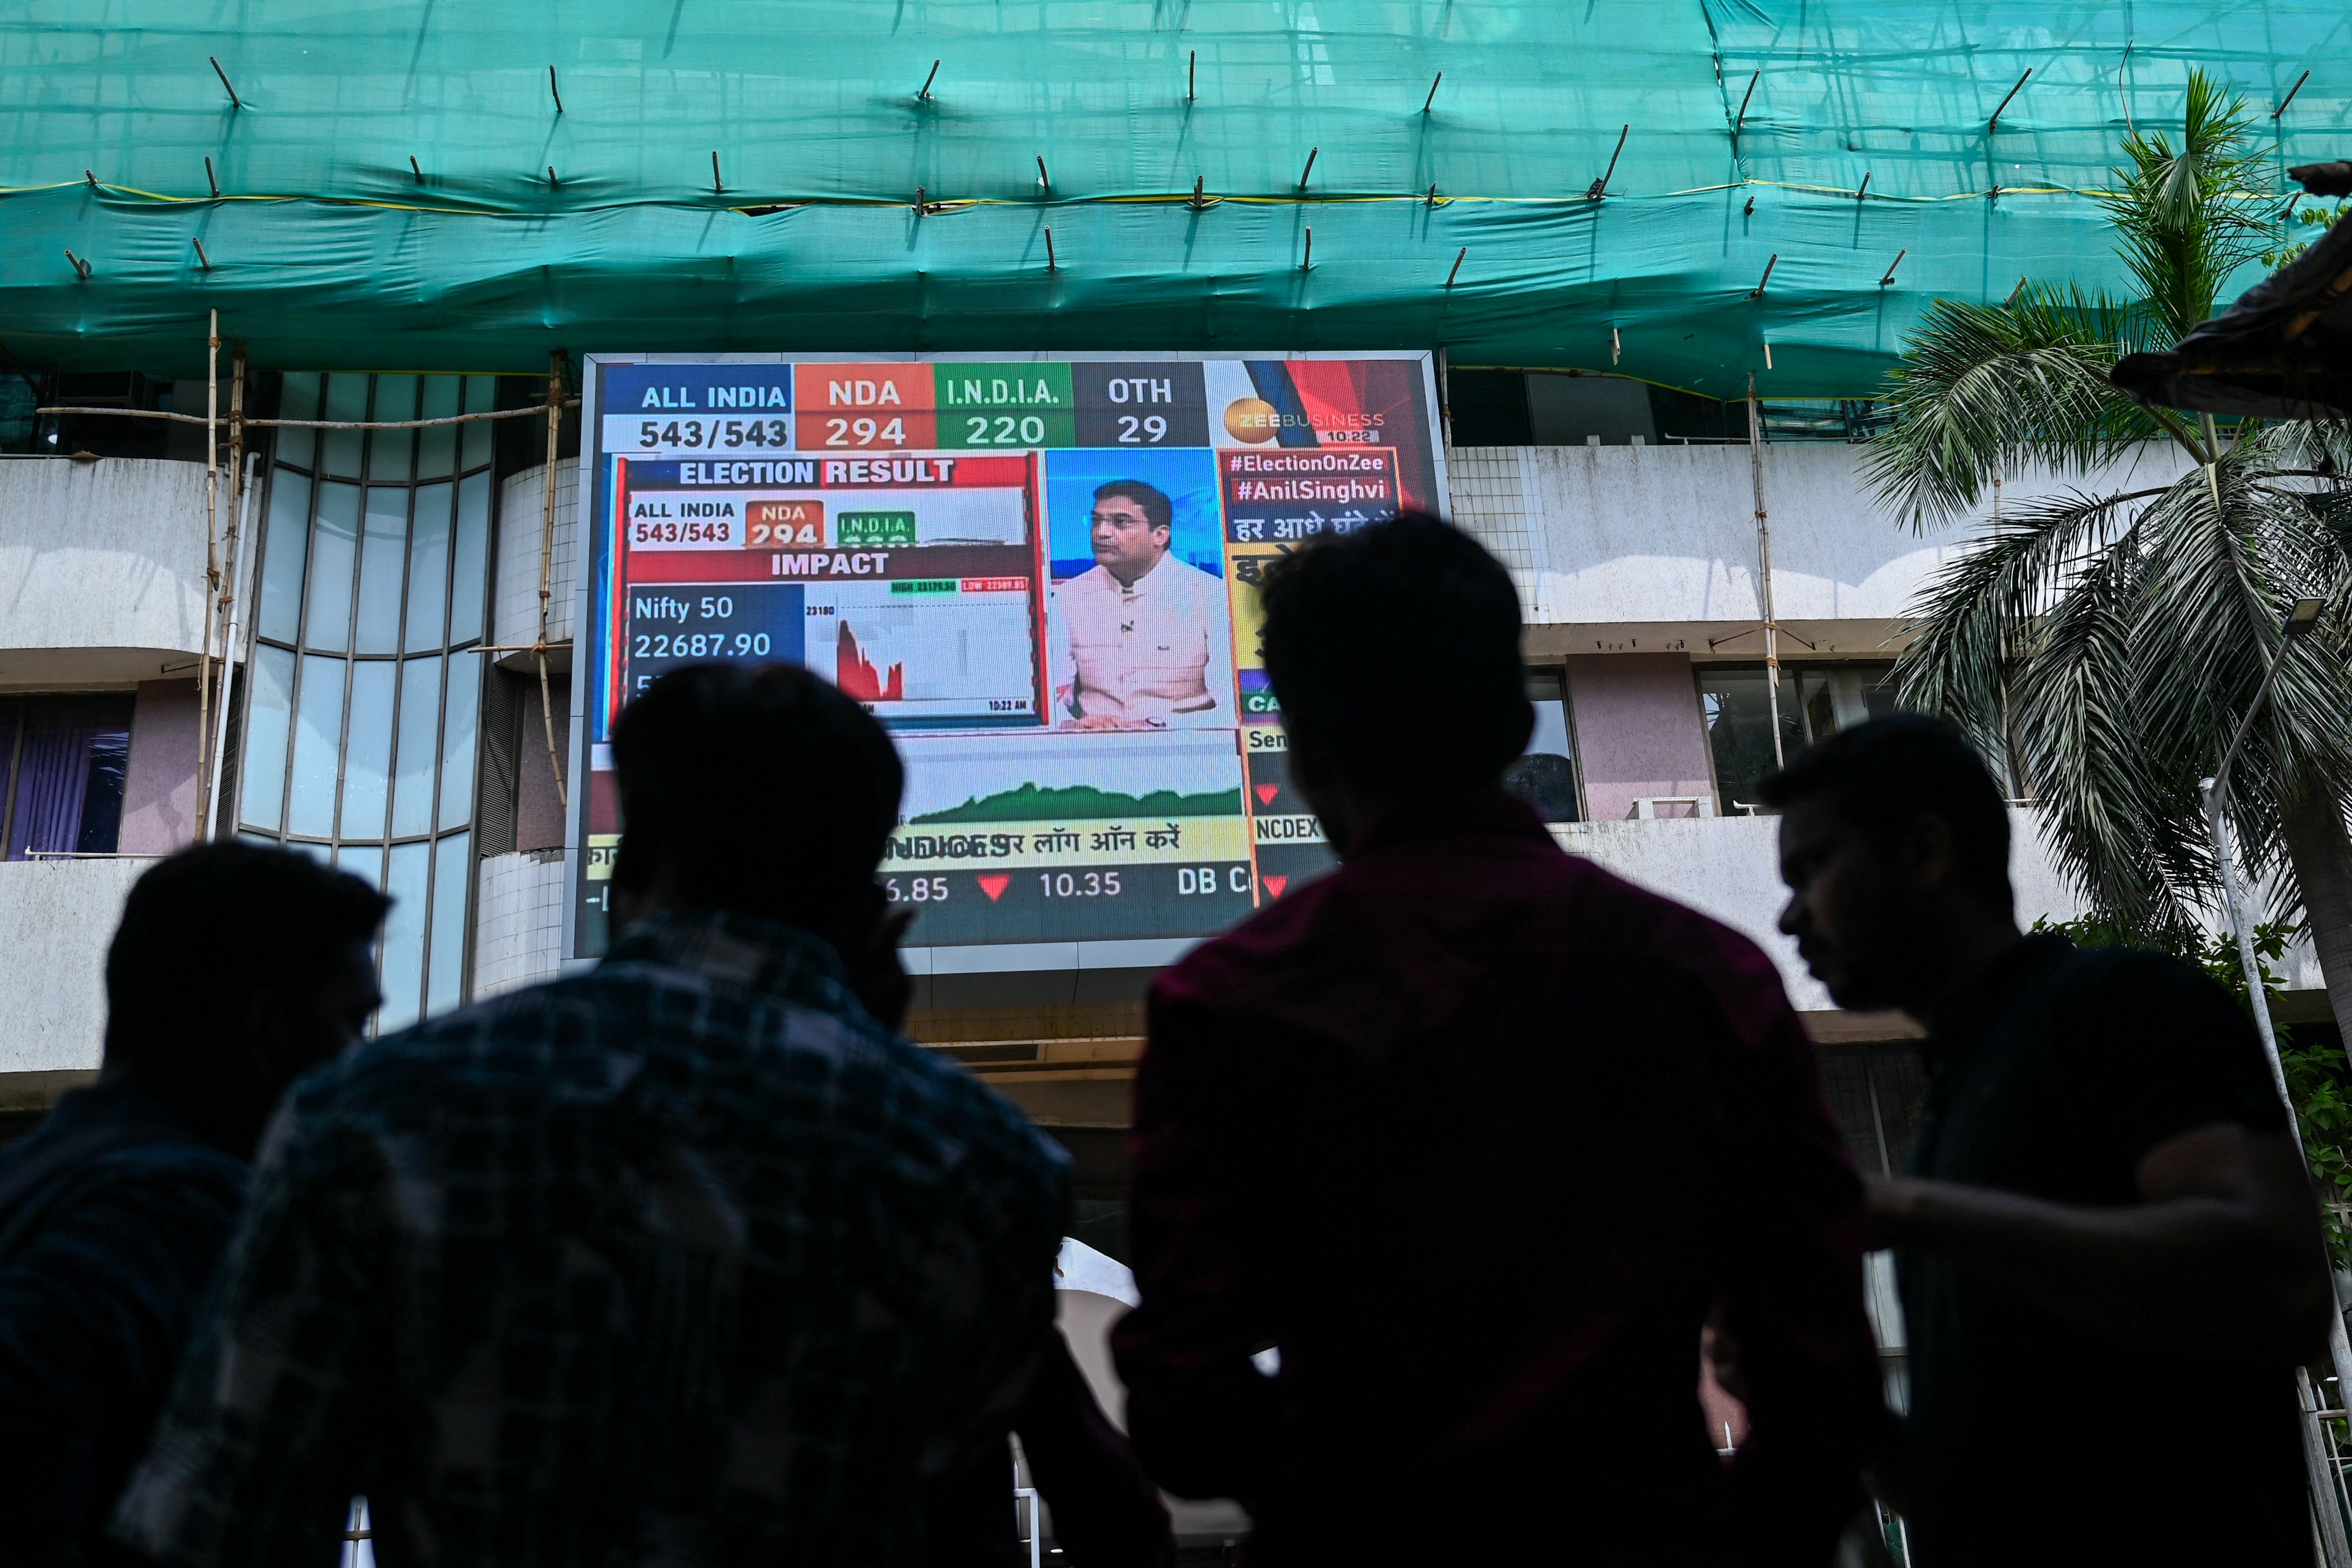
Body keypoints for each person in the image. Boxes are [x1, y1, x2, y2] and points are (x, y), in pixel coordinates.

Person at [112, 664, 1072, 1567]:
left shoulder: (375, 1117)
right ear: (864, 891)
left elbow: (221, 1523)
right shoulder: (987, 1167)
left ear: (637, 855)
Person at [1112, 514, 1881, 1565]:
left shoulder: (1227, 1002)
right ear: (1519, 726)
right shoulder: (1703, 977)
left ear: (1303, 744)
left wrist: (1338, 1495)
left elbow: (1181, 1408)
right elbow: (1815, 1361)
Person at [1762, 715, 2332, 1566]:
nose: (1788, 916)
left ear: (1923, 853)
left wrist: (1904, 1210)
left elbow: (2277, 1289)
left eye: (1811, 868)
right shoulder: (1952, 1103)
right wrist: (1847, 1419)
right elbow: (1986, 1495)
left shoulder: (2120, 1005)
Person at [0, 843, 386, 1568]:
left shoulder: (29, 1179)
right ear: (267, 1033)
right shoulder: (183, 1212)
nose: (360, 1066)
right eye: (350, 1026)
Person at [1051, 479, 1233, 729]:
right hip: (1091, 748)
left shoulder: (1211, 596)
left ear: (1160, 535)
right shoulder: (1066, 598)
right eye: (1096, 521)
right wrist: (1066, 722)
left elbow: (1234, 706)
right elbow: (1052, 694)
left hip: (1186, 749)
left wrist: (1157, 724)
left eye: (1120, 522)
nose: (1101, 532)